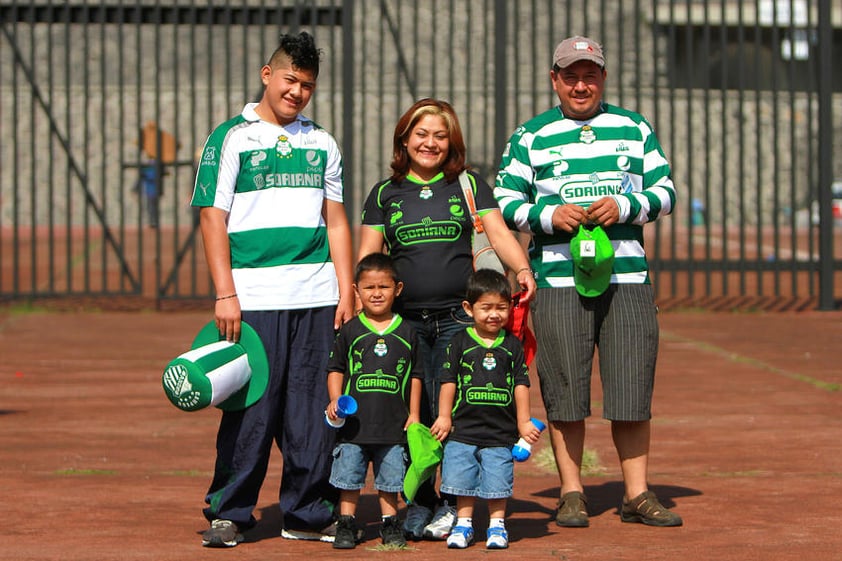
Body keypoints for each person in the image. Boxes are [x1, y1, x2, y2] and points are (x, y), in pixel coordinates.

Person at [494, 35, 683, 528]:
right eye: (570, 75)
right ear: (554, 79)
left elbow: (665, 192)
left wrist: (625, 206)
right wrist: (549, 214)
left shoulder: (633, 127)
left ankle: (636, 493)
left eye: (590, 74)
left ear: (603, 77)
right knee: (564, 389)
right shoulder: (529, 136)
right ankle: (572, 492)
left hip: (627, 277)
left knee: (631, 385)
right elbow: (504, 201)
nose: (581, 84)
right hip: (557, 280)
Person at [191, 31, 354, 547]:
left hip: (315, 296)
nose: (297, 93)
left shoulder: (322, 142)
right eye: (289, 80)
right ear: (268, 75)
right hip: (252, 300)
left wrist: (345, 288)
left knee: (313, 410)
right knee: (250, 409)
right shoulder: (231, 137)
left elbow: (336, 222)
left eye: (307, 85)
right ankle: (230, 511)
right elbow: (212, 218)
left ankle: (307, 512)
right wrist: (225, 293)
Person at [357, 98, 537, 540]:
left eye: (440, 135)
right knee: (411, 417)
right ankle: (422, 503)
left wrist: (523, 270)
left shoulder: (468, 184)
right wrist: (355, 303)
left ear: (450, 142)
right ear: (404, 138)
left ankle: (458, 506)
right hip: (404, 324)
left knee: (452, 411)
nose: (430, 143)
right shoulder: (384, 193)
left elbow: (497, 232)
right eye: (421, 134)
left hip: (458, 321)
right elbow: (368, 257)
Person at [429, 269, 541, 549]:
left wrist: (523, 422)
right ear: (469, 308)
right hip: (462, 430)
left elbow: (520, 384)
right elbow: (448, 382)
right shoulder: (459, 343)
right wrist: (444, 416)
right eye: (486, 308)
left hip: (500, 432)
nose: (494, 315)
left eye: (501, 308)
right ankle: (464, 524)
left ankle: (497, 526)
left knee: (497, 480)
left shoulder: (513, 345)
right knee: (461, 480)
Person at [325, 253, 424, 549]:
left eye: (384, 286)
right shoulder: (350, 331)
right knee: (348, 479)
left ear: (398, 289)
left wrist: (415, 414)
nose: (377, 293)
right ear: (356, 291)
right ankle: (345, 524)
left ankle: (390, 525)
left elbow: (416, 375)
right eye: (369, 288)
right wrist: (335, 400)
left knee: (390, 481)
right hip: (354, 426)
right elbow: (335, 369)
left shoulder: (407, 332)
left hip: (393, 424)